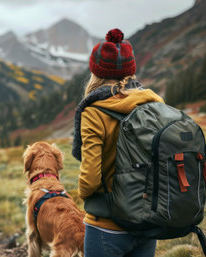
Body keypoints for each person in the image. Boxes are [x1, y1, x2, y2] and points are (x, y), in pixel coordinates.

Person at [72, 28, 164, 257]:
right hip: (146, 223)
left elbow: (91, 180)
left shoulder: (94, 112)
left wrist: (82, 192)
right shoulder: (154, 105)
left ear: (96, 72)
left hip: (106, 225)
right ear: (131, 71)